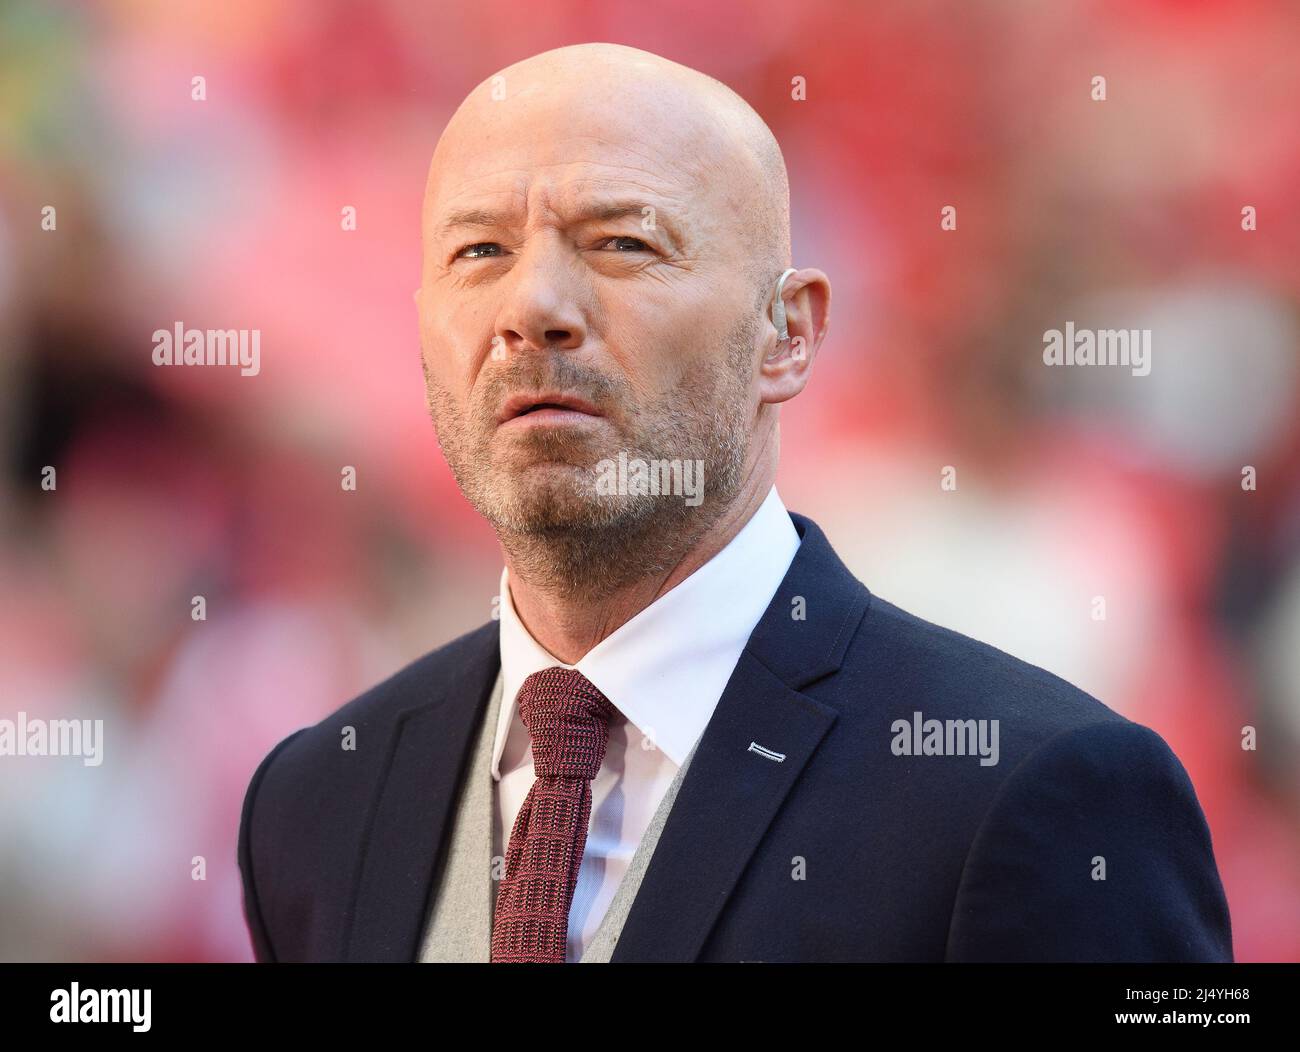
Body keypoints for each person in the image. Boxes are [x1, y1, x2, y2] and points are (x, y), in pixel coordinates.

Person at [237, 42, 1232, 963]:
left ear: (786, 334)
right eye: (479, 252)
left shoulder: (1042, 790)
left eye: (622, 242)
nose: (532, 306)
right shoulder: (316, 802)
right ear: (421, 336)